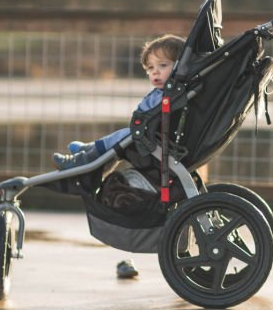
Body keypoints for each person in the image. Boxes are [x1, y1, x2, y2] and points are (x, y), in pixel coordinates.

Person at [53, 33, 185, 281]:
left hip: (152, 141)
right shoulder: (168, 92)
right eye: (150, 69)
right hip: (151, 139)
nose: (155, 73)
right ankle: (88, 152)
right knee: (123, 138)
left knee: (125, 137)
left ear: (179, 66)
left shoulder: (172, 93)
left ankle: (84, 156)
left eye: (163, 66)